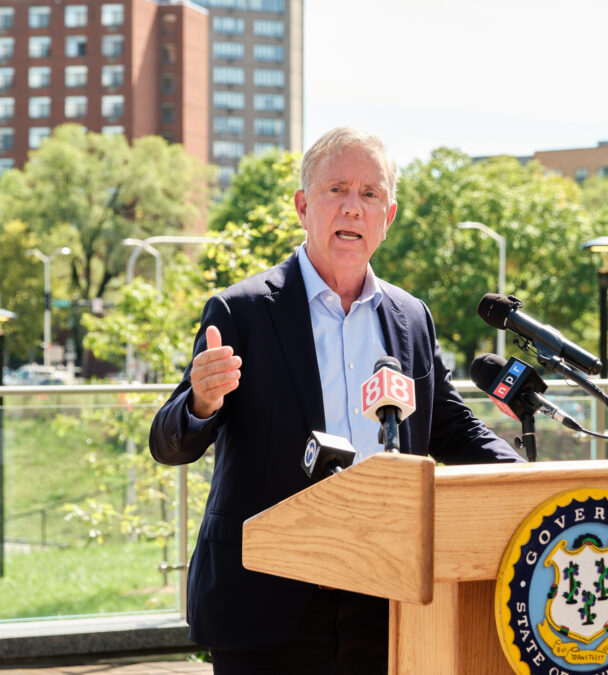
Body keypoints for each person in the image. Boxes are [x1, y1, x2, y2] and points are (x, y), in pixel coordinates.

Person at [149, 127, 523, 673]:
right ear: (303, 206)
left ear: (387, 218)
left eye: (370, 195)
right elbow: (169, 442)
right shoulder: (243, 311)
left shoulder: (410, 318)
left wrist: (529, 481)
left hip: (385, 589)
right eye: (337, 190)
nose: (354, 208)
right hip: (269, 595)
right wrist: (201, 404)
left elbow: (451, 428)